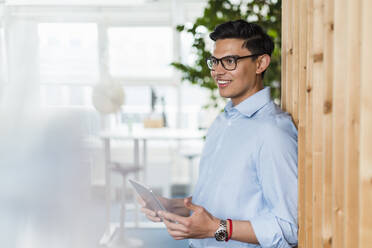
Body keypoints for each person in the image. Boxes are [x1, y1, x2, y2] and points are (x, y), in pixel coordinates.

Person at [140, 20, 298, 248]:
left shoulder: (272, 133)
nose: (217, 71)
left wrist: (216, 229)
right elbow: (227, 197)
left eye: (230, 61)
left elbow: (287, 229)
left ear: (260, 63)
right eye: (215, 61)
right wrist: (172, 206)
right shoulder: (223, 121)